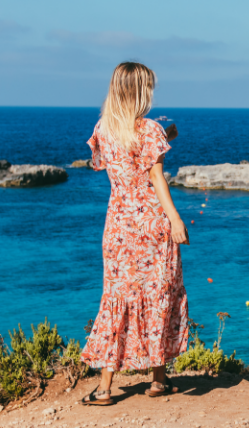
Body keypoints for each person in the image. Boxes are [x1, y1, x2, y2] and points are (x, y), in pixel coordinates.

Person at [80, 62, 190, 406]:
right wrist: (176, 220)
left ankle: (105, 388)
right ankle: (157, 380)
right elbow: (155, 178)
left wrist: (162, 137)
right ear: (141, 91)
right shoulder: (150, 130)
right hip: (151, 225)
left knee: (117, 298)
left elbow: (108, 163)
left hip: (118, 225)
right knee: (159, 293)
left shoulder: (103, 128)